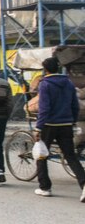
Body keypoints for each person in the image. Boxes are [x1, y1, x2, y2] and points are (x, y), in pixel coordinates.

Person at [34, 57, 85, 201]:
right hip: (66, 125)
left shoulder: (45, 84)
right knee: (70, 156)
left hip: (49, 125)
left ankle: (45, 187)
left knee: (42, 155)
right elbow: (75, 105)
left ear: (46, 69)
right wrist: (72, 121)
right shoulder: (68, 83)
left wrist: (38, 127)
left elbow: (44, 109)